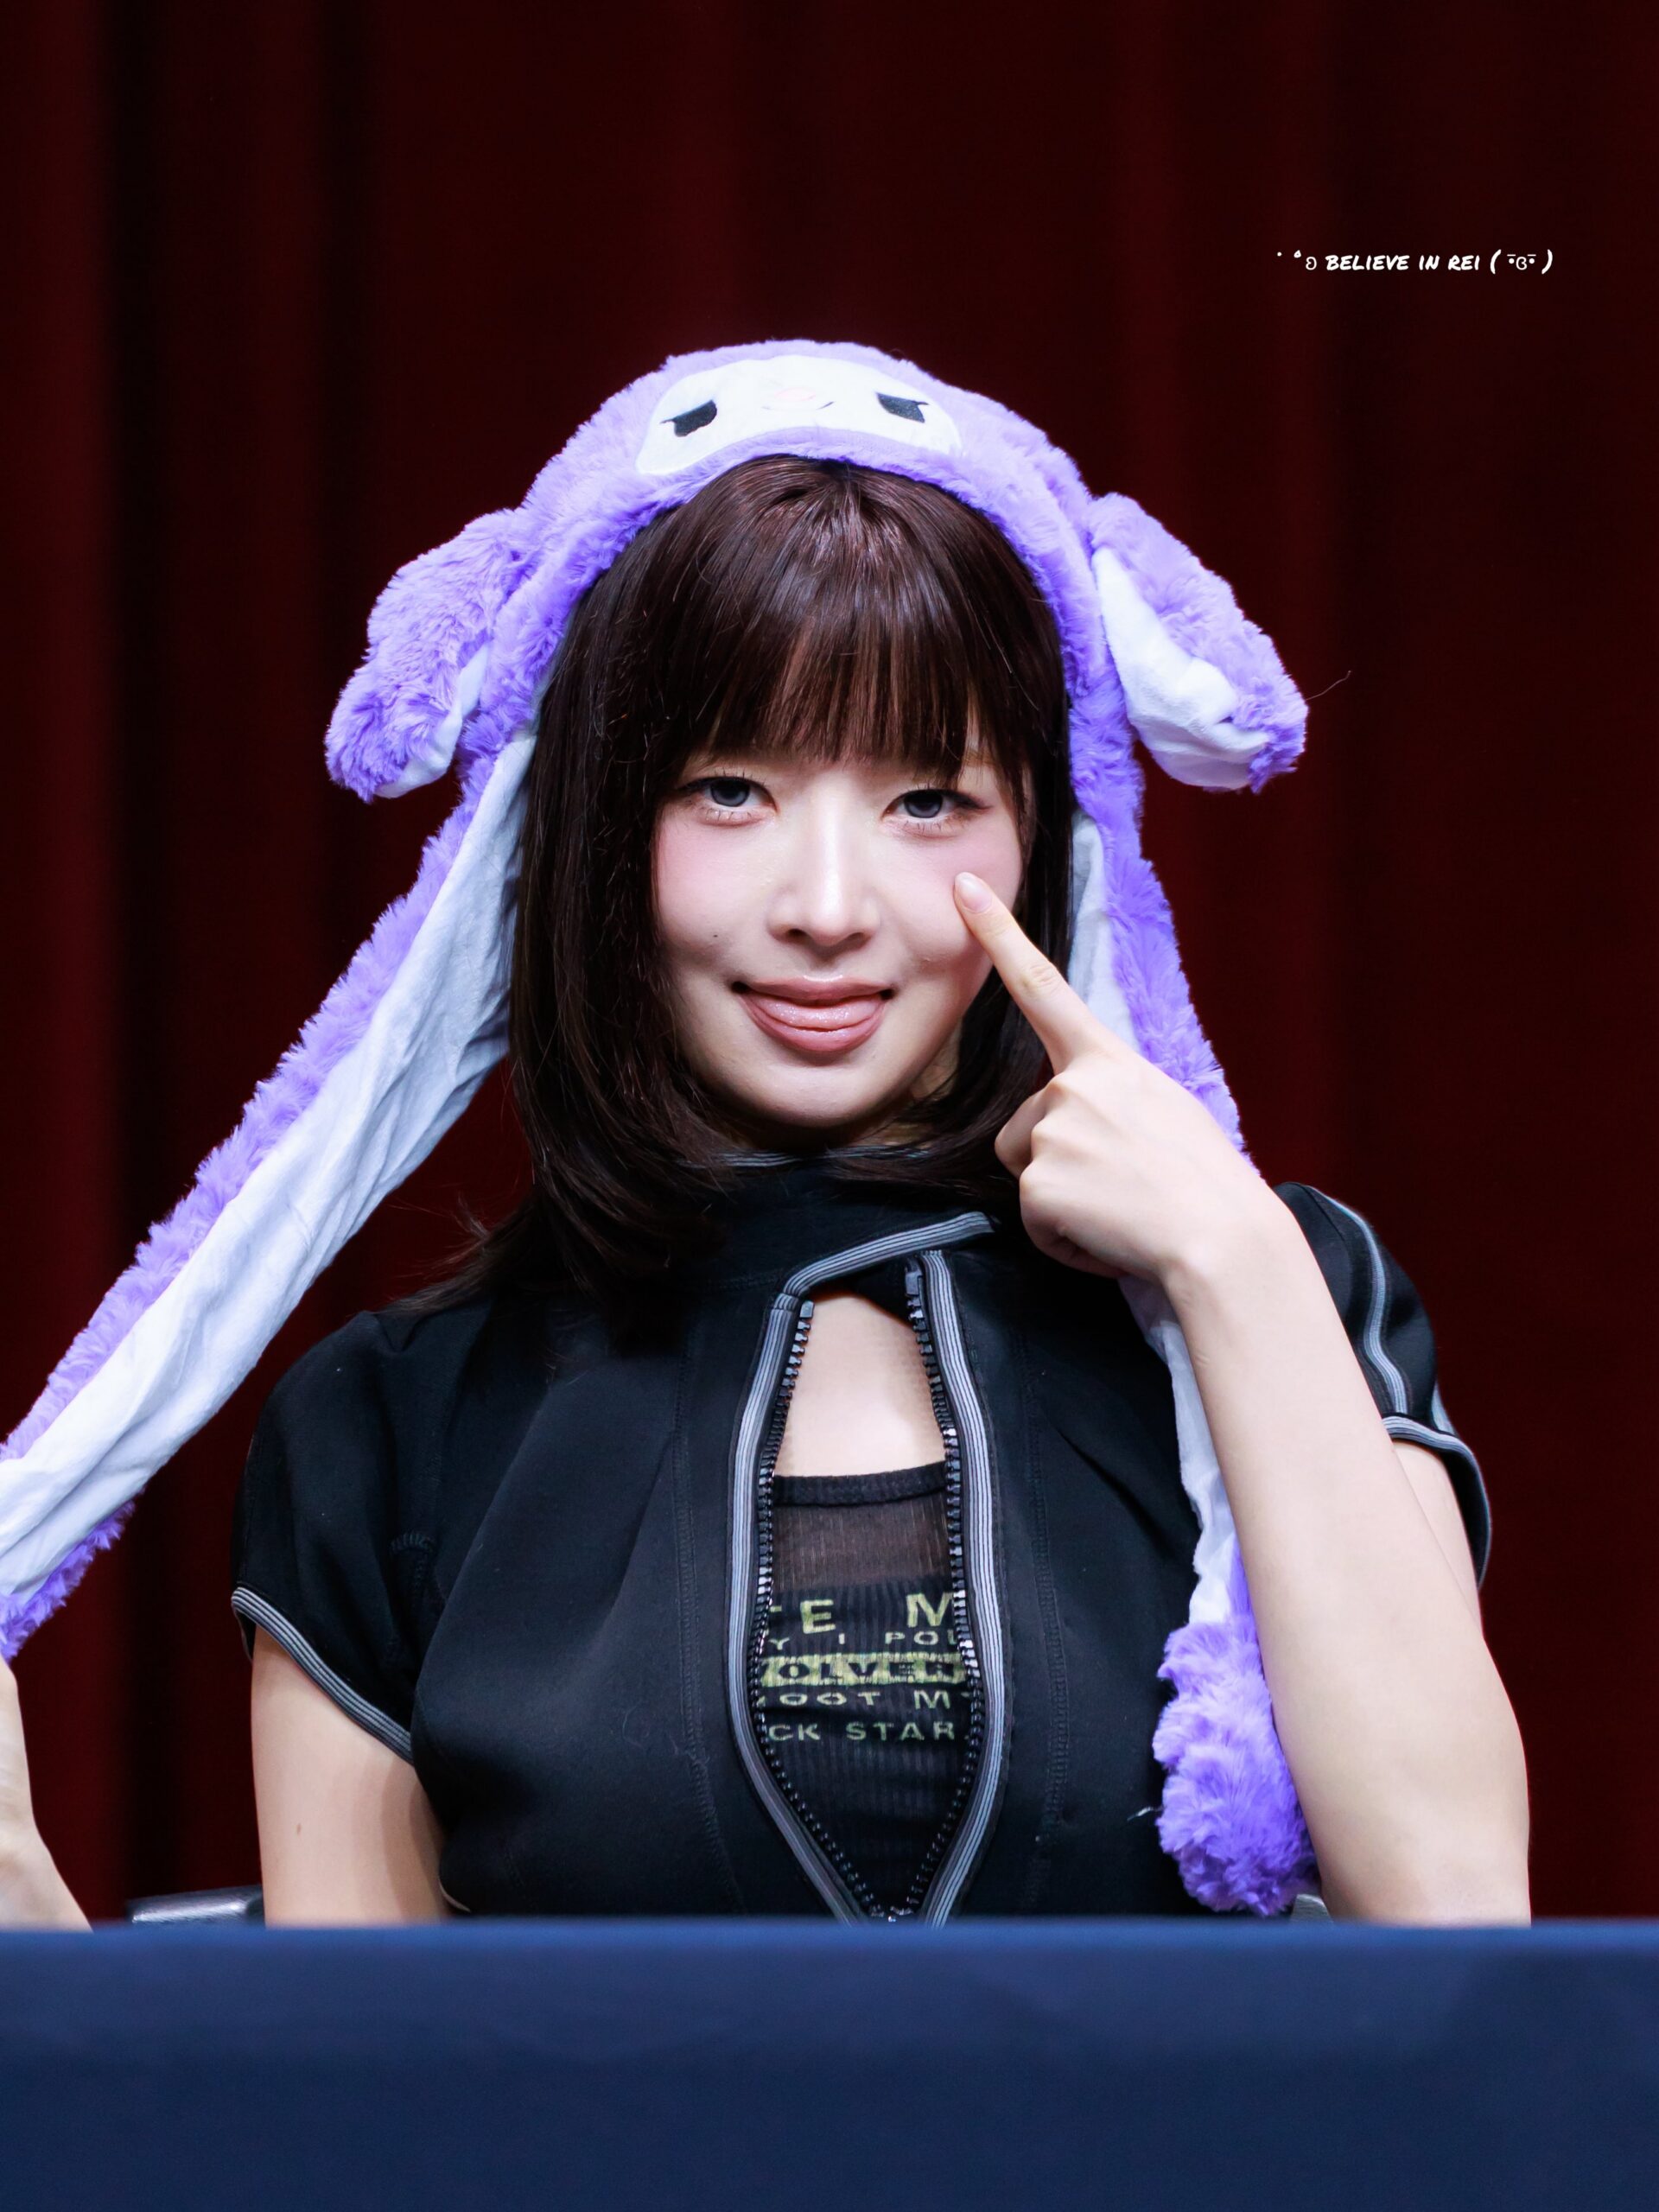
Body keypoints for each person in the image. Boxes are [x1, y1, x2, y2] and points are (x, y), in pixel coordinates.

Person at [0, 345, 1529, 1929]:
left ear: (1052, 834)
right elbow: (356, 2065)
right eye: (729, 790)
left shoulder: (1287, 1289)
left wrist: (1231, 1261)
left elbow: (1456, 1909)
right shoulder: (390, 1424)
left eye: (929, 800)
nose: (829, 908)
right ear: (588, 826)